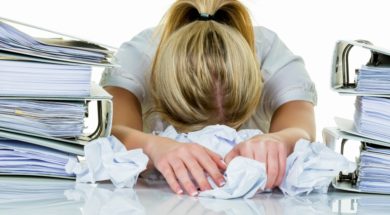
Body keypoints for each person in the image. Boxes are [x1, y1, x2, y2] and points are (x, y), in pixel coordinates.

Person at [100, 0, 317, 196]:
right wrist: (152, 146)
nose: (215, 139)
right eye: (194, 131)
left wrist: (279, 140)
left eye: (232, 125)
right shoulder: (138, 57)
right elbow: (113, 132)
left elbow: (302, 131)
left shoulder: (271, 55)